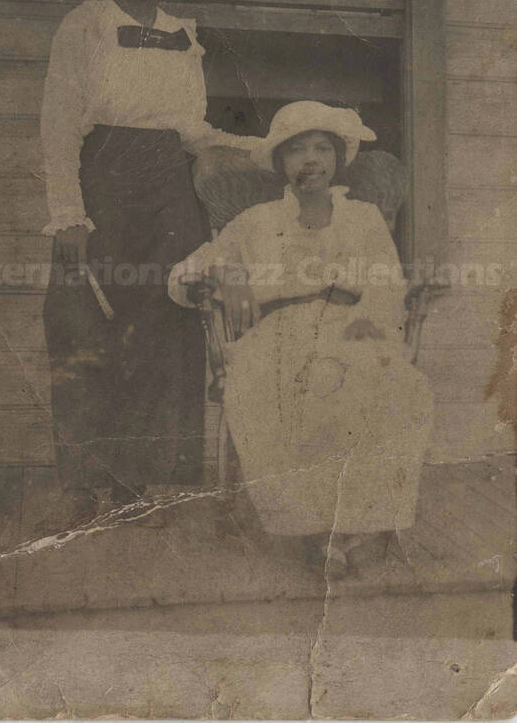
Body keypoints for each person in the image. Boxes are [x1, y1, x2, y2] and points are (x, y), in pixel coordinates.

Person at [41, 0, 260, 530]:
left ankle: (137, 483)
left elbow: (191, 128)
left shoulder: (181, 34)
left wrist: (260, 147)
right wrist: (68, 215)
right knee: (86, 326)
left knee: (162, 333)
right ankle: (86, 486)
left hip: (168, 192)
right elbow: (59, 121)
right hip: (101, 184)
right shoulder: (87, 24)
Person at [168, 102, 434, 576]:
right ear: (280, 163)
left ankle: (347, 526)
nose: (310, 159)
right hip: (278, 335)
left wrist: (366, 325)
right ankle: (319, 530)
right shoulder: (254, 222)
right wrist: (227, 273)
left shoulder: (365, 217)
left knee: (396, 389)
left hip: (354, 327)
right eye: (297, 150)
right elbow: (182, 276)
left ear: (337, 159)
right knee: (284, 390)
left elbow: (387, 283)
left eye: (322, 148)